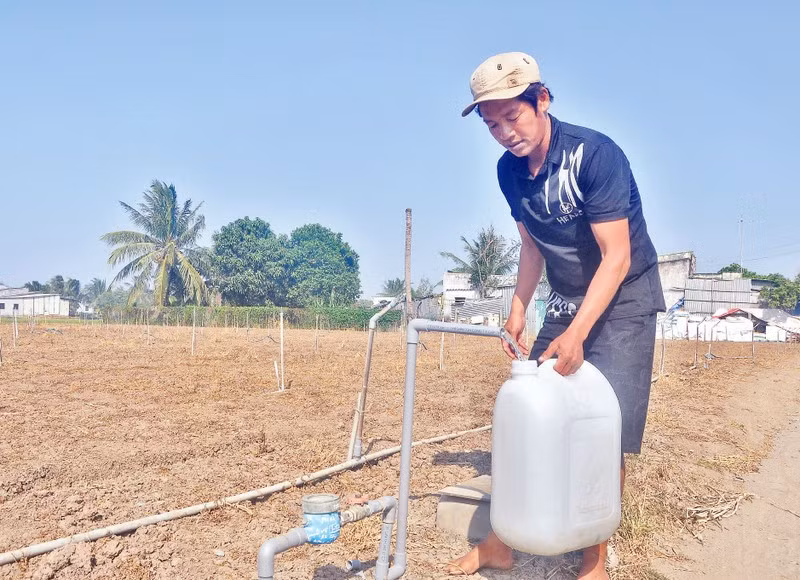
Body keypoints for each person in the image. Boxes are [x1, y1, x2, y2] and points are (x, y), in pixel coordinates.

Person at [447, 52, 665, 579]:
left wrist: (578, 334)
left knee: (600, 425)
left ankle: (594, 559)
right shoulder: (510, 173)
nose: (504, 133)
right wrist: (518, 310)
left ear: (540, 100)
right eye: (491, 124)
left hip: (625, 298)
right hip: (569, 296)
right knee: (535, 400)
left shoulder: (595, 156)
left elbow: (617, 257)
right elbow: (530, 247)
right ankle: (502, 540)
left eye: (512, 117)